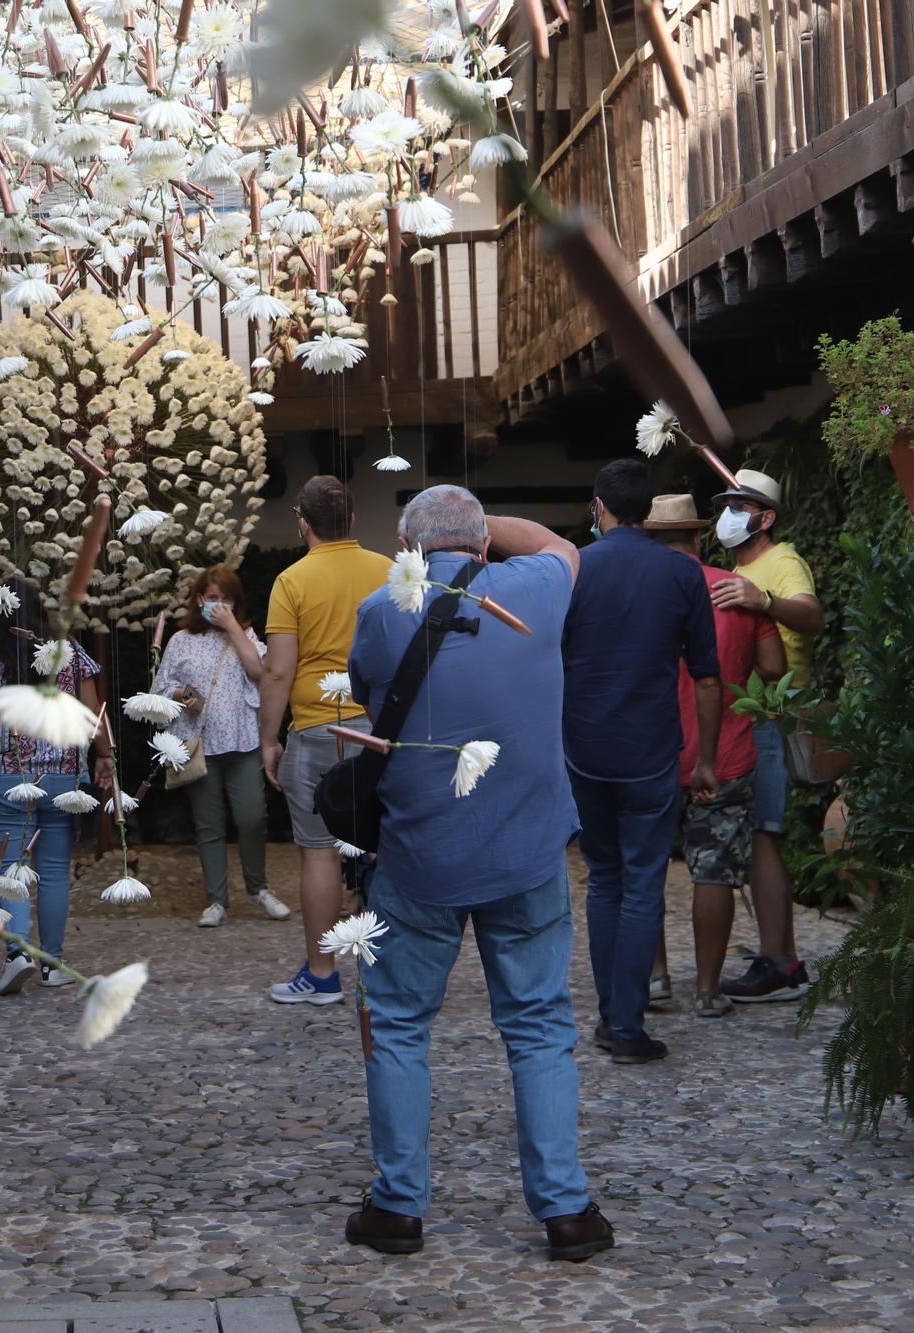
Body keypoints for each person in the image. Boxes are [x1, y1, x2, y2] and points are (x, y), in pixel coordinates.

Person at [343, 485, 612, 1263]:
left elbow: (369, 695)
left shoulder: (381, 610)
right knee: (537, 1025)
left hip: (419, 853)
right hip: (527, 851)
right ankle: (565, 1209)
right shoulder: (534, 589)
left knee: (396, 1022)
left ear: (405, 549)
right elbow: (562, 547)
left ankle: (398, 1205)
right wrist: (495, 525)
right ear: (487, 544)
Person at [562, 459, 722, 1065]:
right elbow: (707, 680)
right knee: (642, 884)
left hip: (584, 748)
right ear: (649, 511)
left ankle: (612, 1016)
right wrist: (704, 760)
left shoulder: (574, 568)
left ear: (599, 507)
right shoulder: (681, 575)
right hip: (651, 750)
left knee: (603, 879)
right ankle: (626, 1025)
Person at [640, 497, 788, 1018]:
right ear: (699, 540)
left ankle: (656, 979)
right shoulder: (734, 591)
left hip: (651, 752)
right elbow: (773, 669)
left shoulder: (639, 592)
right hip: (723, 752)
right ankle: (707, 988)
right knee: (714, 873)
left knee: (645, 869)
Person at [259, 475, 393, 1005]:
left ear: (303, 523)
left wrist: (270, 738)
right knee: (388, 848)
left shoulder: (291, 581)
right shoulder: (388, 571)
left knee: (319, 853)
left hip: (317, 726)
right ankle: (391, 969)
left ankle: (321, 974)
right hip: (382, 727)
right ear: (354, 522)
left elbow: (277, 671)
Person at [0, 577, 115, 996]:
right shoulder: (70, 654)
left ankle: (17, 956)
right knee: (52, 872)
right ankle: (52, 963)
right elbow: (92, 714)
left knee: (9, 868)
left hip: (7, 778)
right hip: (63, 777)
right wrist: (105, 756)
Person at [709, 469, 824, 1002]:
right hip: (746, 717)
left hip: (770, 719)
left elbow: (813, 617)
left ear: (766, 517)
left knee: (764, 837)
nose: (728, 514)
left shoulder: (784, 562)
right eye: (726, 504)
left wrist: (765, 603)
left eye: (739, 505)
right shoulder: (740, 567)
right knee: (759, 838)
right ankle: (778, 956)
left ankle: (781, 963)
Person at [152, 564, 289, 928]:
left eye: (227, 599)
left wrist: (232, 627)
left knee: (252, 817)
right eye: (213, 598)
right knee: (208, 825)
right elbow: (159, 691)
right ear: (199, 600)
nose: (220, 605)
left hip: (243, 743)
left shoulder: (246, 635)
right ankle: (216, 901)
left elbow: (260, 672)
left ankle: (258, 889)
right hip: (199, 746)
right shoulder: (181, 641)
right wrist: (183, 694)